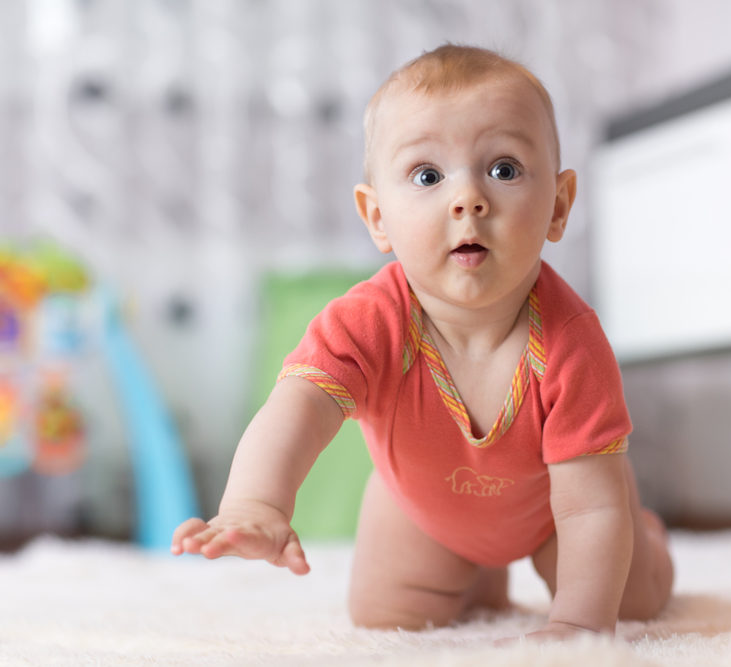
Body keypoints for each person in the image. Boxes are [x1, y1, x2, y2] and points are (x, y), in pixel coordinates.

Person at [172, 44, 673, 641]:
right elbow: (296, 410)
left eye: (504, 169)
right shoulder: (366, 323)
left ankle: (650, 540)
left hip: (556, 517)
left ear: (559, 207)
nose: (468, 199)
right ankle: (476, 575)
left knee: (630, 599)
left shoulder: (571, 343)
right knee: (385, 617)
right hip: (422, 511)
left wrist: (576, 623)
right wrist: (257, 505)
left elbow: (589, 510)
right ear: (377, 216)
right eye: (428, 176)